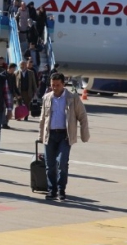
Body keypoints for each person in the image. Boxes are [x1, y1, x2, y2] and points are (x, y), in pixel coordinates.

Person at [38, 72, 89, 201]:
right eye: (52, 85)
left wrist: (84, 134)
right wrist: (41, 136)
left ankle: (61, 190)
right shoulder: (47, 98)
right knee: (50, 165)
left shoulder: (72, 98)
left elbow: (82, 116)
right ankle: (52, 190)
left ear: (63, 84)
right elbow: (43, 119)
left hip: (65, 136)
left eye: (58, 85)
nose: (55, 87)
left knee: (62, 163)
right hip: (50, 134)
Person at [2, 63, 19, 129]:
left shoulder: (13, 75)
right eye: (13, 68)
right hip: (3, 94)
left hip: (10, 94)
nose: (14, 70)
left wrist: (18, 94)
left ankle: (5, 122)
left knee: (10, 109)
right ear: (10, 68)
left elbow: (14, 85)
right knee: (3, 109)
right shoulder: (3, 75)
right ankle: (4, 123)